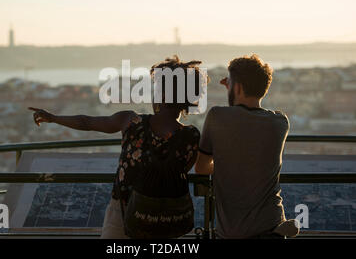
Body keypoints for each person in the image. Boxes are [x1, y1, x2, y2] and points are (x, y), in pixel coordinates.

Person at [29, 55, 204, 238]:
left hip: (124, 212)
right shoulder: (191, 136)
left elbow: (86, 122)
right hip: (168, 219)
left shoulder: (131, 121)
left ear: (164, 95)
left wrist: (53, 118)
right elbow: (181, 170)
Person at [195, 54, 295, 239]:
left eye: (230, 82)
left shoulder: (217, 116)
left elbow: (201, 167)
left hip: (232, 231)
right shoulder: (280, 122)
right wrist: (235, 87)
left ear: (238, 87)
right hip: (272, 226)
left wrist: (226, 164)